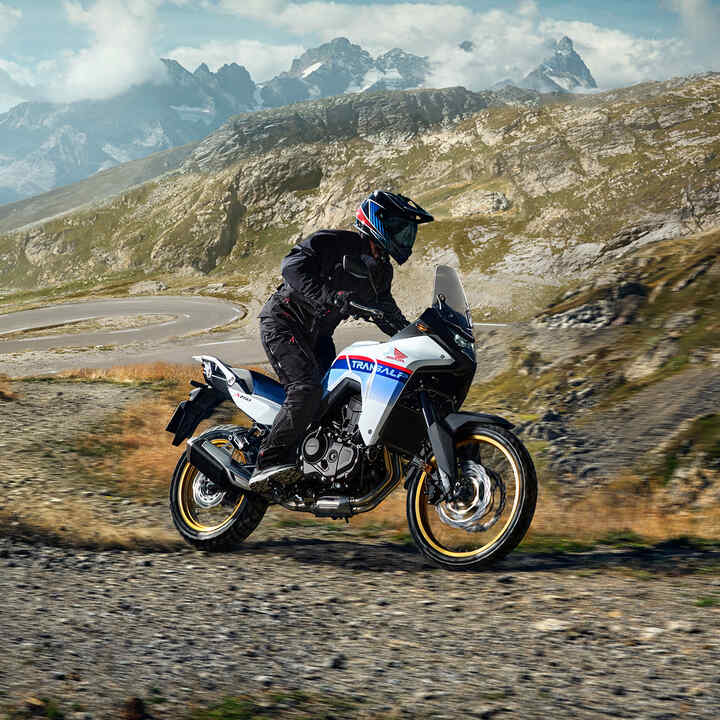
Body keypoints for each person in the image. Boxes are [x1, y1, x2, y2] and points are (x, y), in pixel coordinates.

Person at [249, 189, 434, 489]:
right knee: (306, 390)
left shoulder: (381, 273)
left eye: (407, 231)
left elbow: (387, 314)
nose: (405, 237)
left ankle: (314, 465)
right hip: (284, 323)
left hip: (318, 338)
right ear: (378, 221)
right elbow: (292, 267)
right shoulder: (336, 243)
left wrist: (415, 335)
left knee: (335, 405)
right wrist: (330, 297)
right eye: (400, 228)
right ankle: (268, 460)